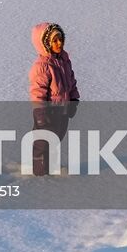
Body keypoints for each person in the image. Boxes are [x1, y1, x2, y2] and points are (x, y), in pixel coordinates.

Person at [29, 22, 80, 176]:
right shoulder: (43, 66)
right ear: (45, 44)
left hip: (62, 111)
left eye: (61, 39)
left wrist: (73, 100)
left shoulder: (64, 61)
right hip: (48, 111)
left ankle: (51, 167)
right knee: (42, 142)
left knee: (56, 139)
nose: (59, 43)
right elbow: (37, 91)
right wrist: (40, 112)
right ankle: (40, 173)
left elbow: (71, 82)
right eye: (55, 40)